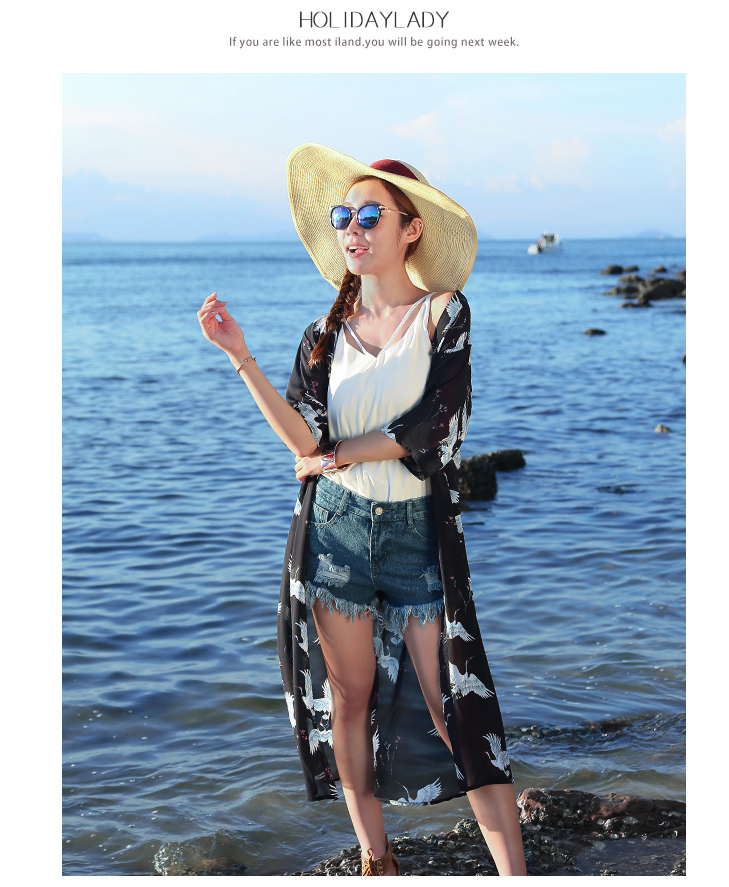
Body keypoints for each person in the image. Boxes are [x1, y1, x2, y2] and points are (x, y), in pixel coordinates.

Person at [197, 144, 526, 876]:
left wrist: (338, 453)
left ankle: (515, 873)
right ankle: (379, 859)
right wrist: (239, 356)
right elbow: (303, 439)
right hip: (335, 533)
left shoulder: (443, 313)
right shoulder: (322, 336)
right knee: (349, 700)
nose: (353, 227)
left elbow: (436, 428)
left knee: (455, 706)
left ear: (411, 229)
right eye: (344, 216)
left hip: (416, 535)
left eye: (371, 215)